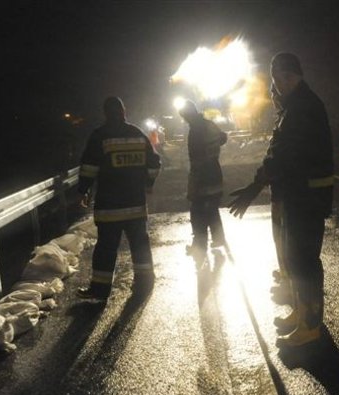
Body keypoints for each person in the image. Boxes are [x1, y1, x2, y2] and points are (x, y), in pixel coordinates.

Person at [228, 53, 333, 347]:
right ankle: (302, 313)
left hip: (308, 197)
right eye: (274, 79)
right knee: (294, 259)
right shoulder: (293, 107)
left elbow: (284, 155)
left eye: (279, 79)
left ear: (292, 76)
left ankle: (310, 325)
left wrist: (255, 186)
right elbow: (278, 152)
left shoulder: (303, 108)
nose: (276, 85)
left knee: (304, 261)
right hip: (297, 195)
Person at [76, 97, 161, 300]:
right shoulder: (138, 134)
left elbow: (89, 168)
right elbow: (154, 164)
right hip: (136, 206)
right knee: (140, 245)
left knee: (106, 248)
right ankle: (145, 282)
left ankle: (100, 289)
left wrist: (84, 190)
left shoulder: (100, 136)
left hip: (109, 207)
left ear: (105, 113)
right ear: (124, 111)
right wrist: (148, 184)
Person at [178, 100, 227, 262]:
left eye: (184, 116)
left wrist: (193, 185)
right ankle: (218, 238)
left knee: (197, 211)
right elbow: (223, 137)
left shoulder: (195, 131)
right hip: (215, 172)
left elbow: (196, 160)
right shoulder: (209, 124)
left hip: (203, 176)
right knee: (212, 208)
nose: (184, 119)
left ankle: (199, 246)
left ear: (187, 115)